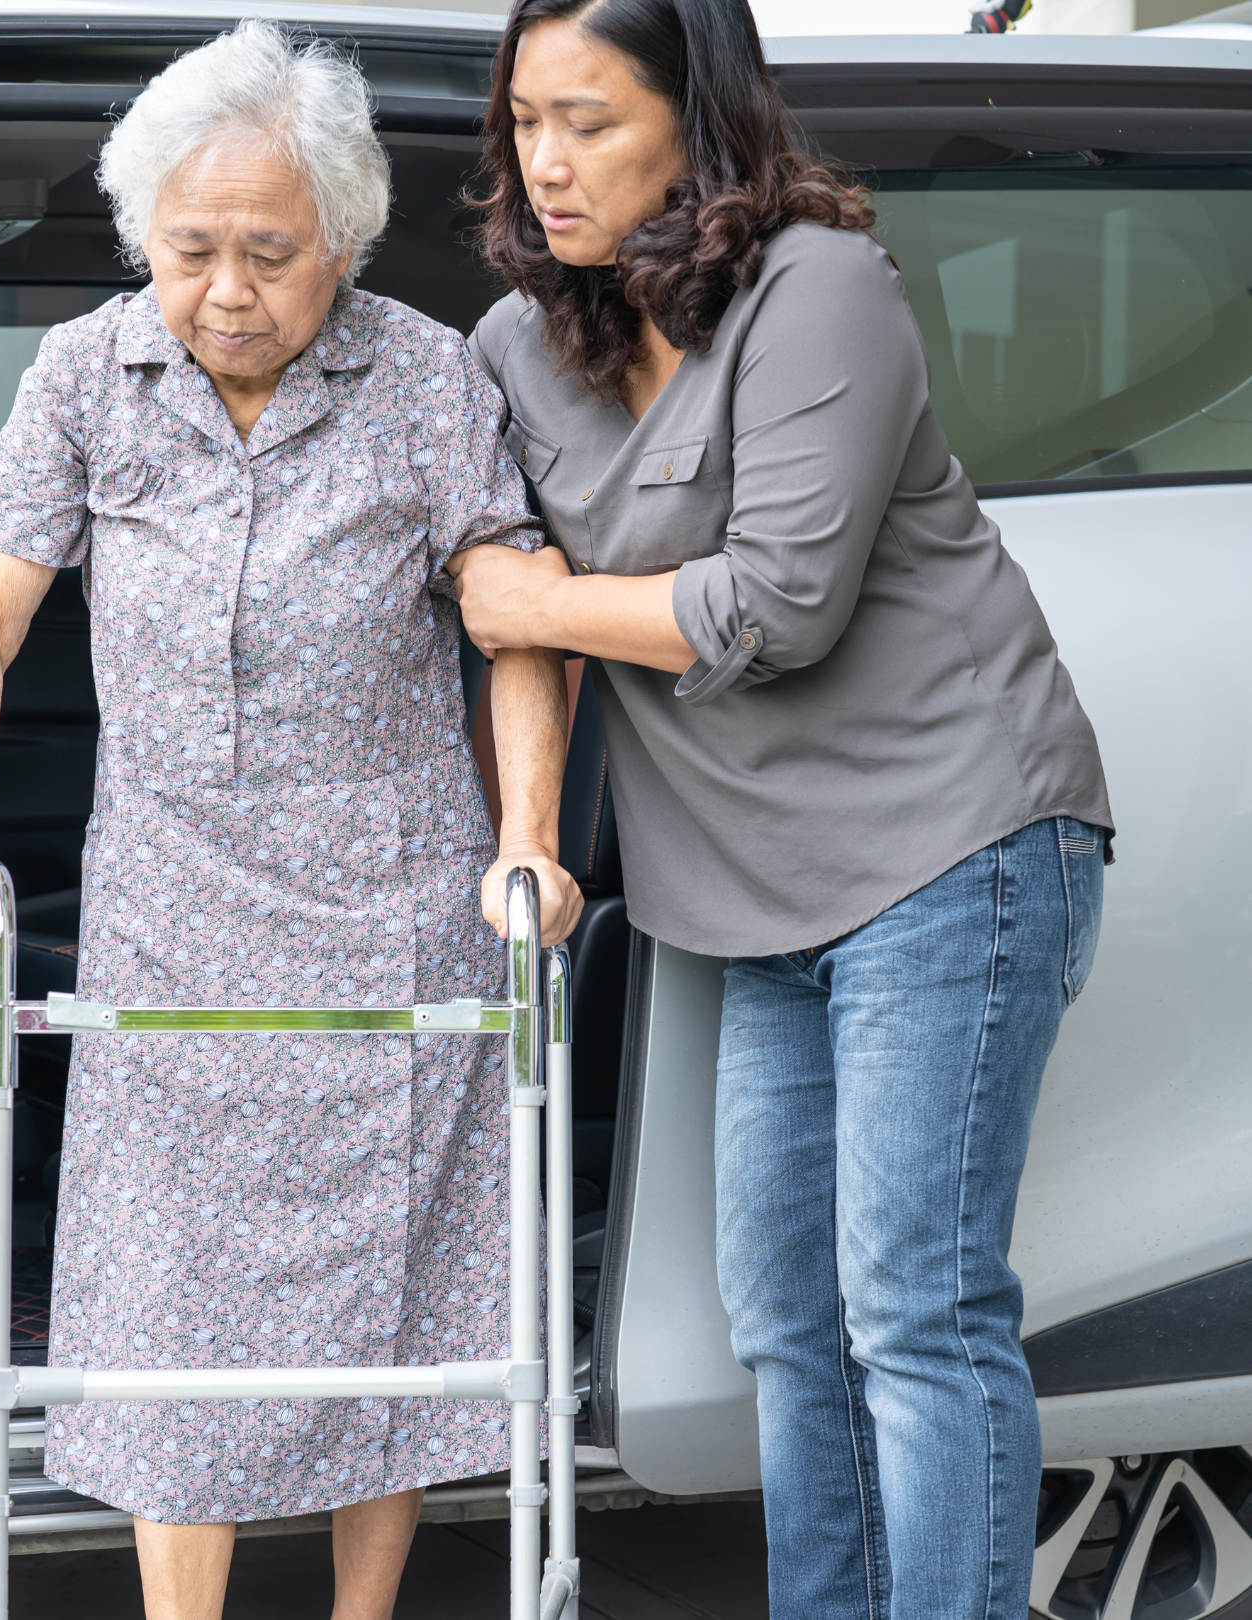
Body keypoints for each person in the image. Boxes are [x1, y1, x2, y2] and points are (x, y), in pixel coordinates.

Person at [0, 23, 580, 1620]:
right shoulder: (86, 372)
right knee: (173, 1327)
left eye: (269, 253)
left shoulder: (423, 374)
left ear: (338, 239)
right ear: (144, 237)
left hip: (393, 917)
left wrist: (524, 842)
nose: (225, 291)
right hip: (172, 922)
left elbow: (516, 626)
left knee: (389, 1321)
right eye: (190, 249)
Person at [454, 0, 1112, 1615]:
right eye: (526, 120)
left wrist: (533, 601)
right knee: (787, 1324)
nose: (546, 161)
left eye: (590, 122)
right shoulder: (511, 349)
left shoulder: (821, 287)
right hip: (751, 900)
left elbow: (774, 611)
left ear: (699, 116)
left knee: (916, 1309)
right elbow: (482, 584)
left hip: (951, 843)